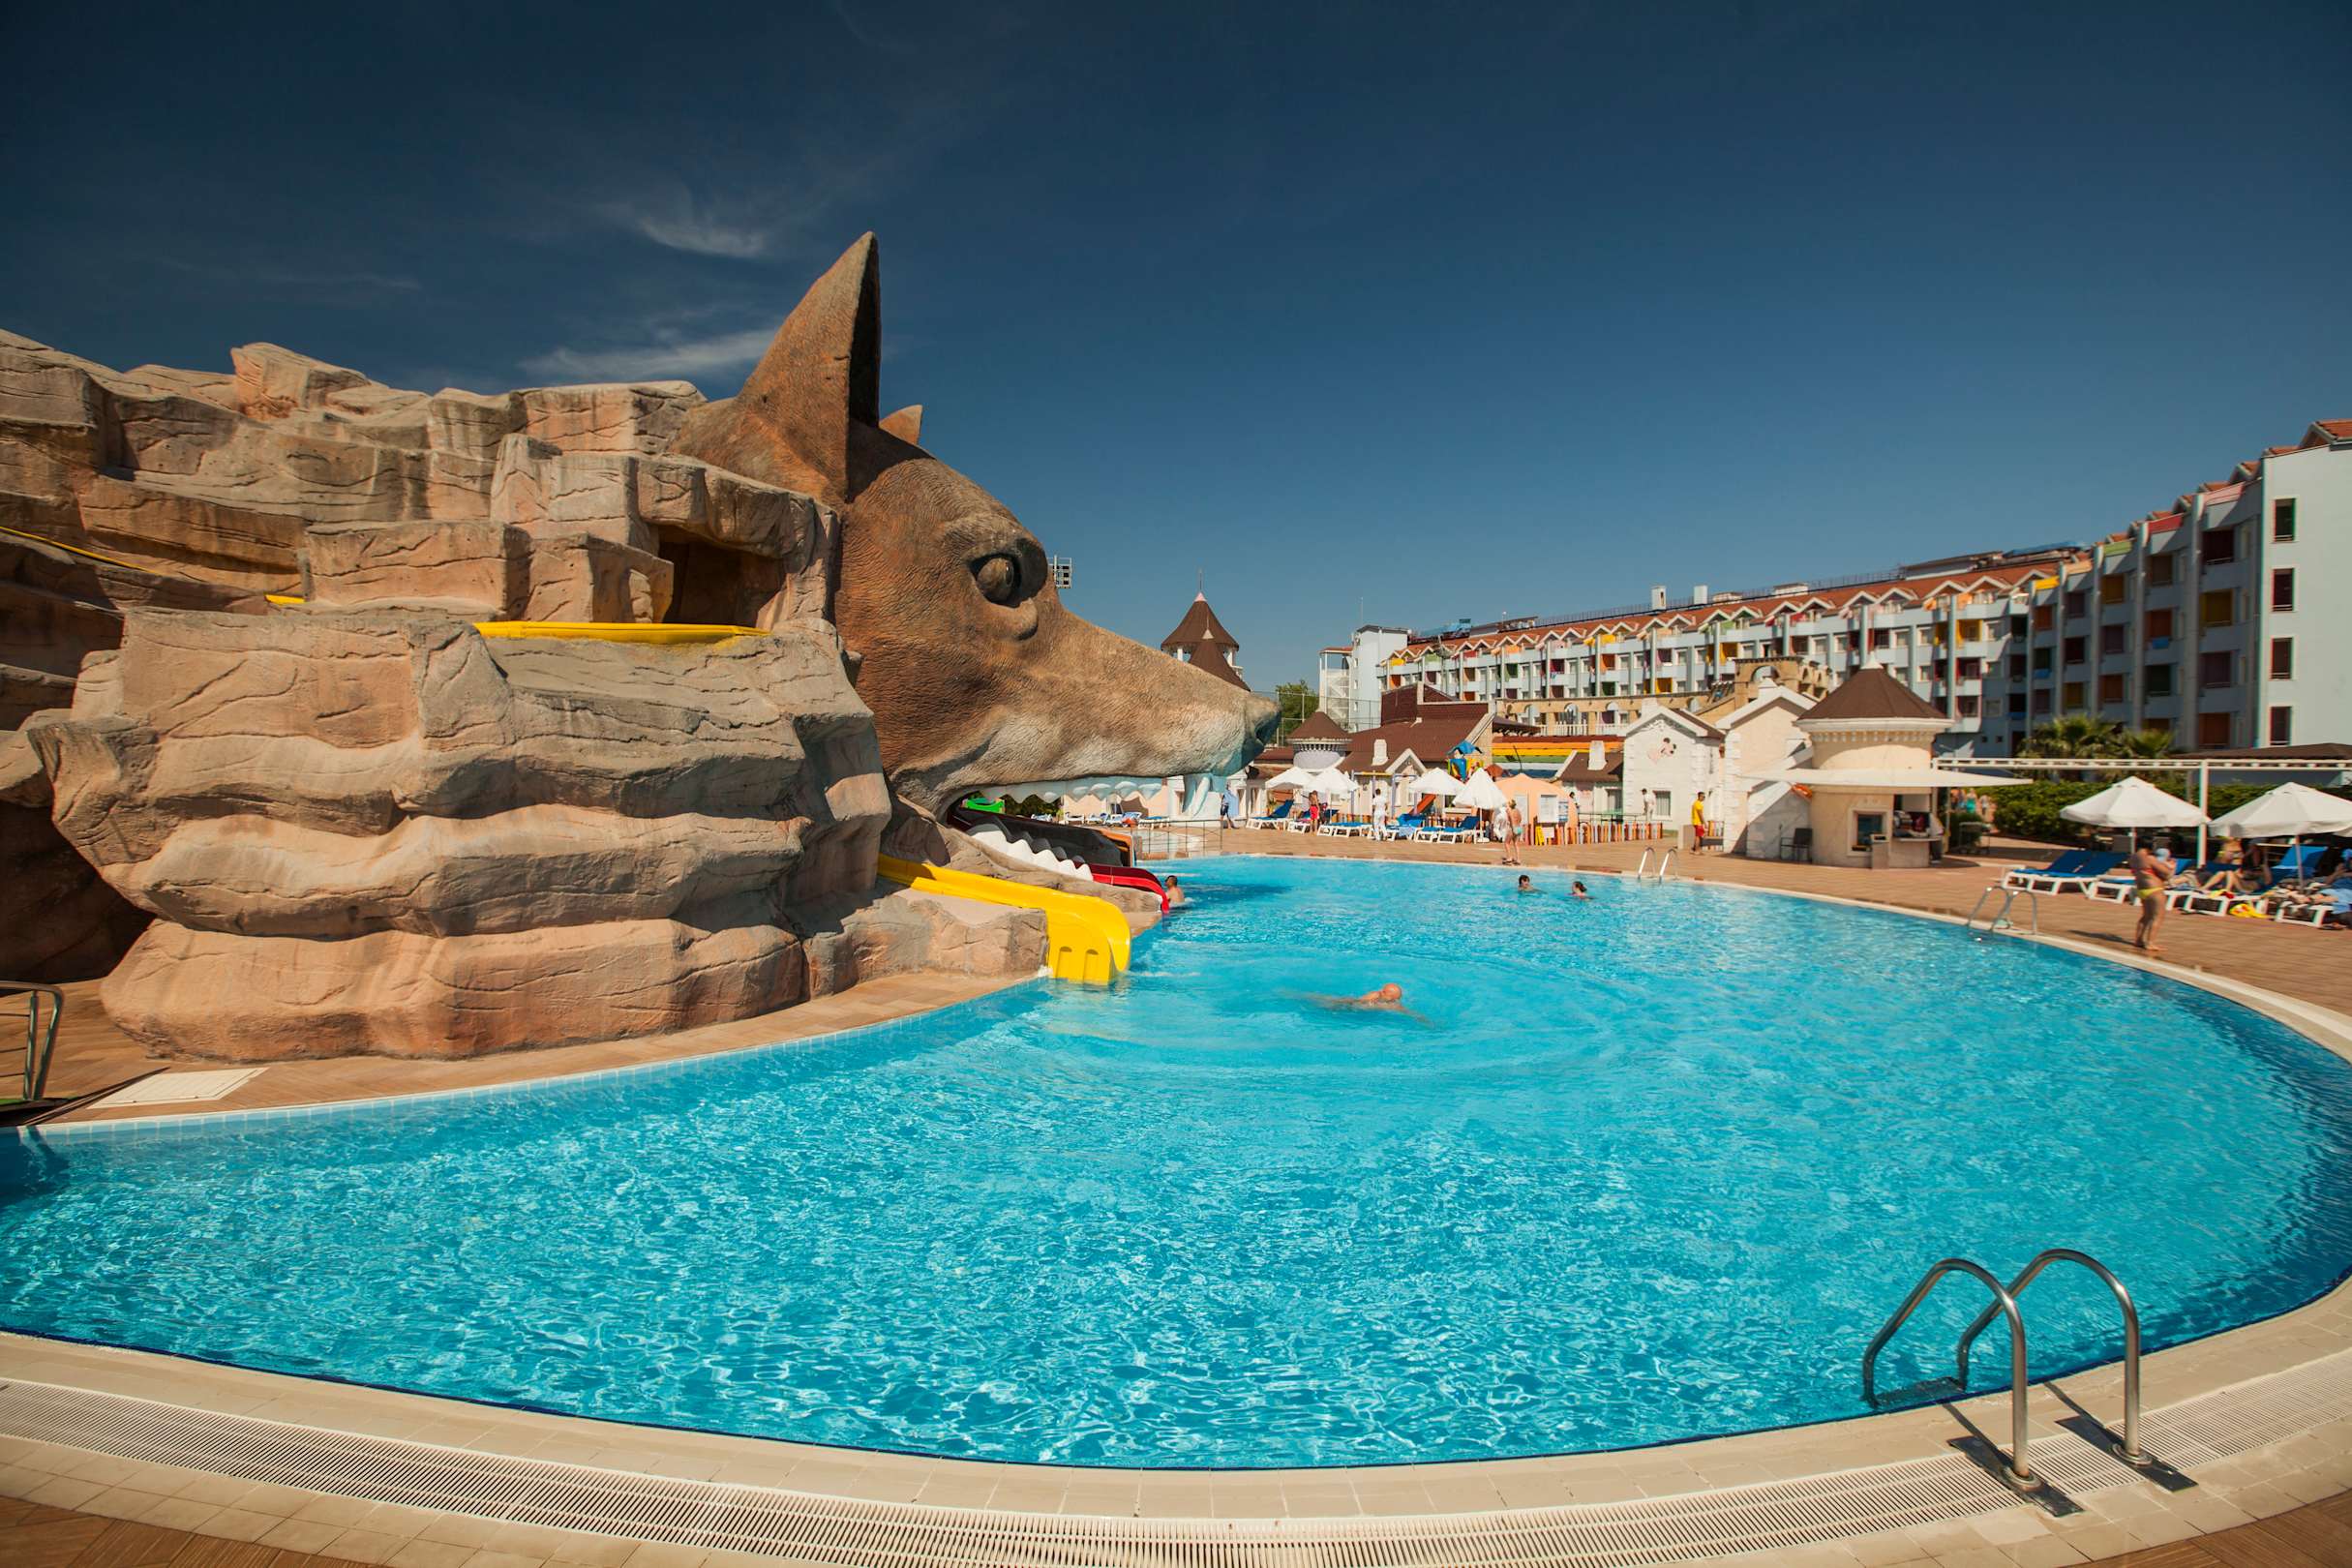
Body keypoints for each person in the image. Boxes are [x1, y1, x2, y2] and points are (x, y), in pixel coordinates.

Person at [2131, 839, 2176, 953]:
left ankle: (2138, 940)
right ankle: (2150, 943)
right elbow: (2167, 874)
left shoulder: (2133, 857)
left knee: (2146, 916)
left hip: (2142, 889)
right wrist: (2172, 867)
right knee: (2158, 917)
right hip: (2155, 889)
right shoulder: (2149, 858)